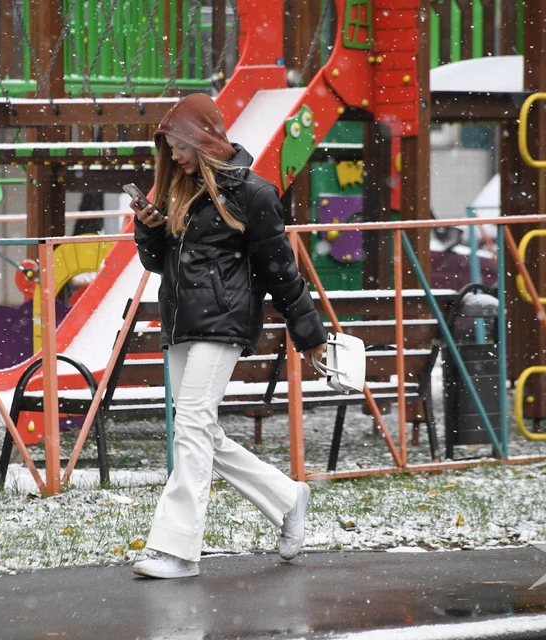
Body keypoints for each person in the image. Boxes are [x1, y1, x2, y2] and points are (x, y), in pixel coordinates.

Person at [130, 93, 327, 579]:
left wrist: (308, 331)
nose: (173, 155)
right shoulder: (176, 189)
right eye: (169, 146)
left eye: (180, 145)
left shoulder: (253, 194)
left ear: (204, 140)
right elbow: (157, 262)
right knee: (200, 432)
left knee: (193, 426)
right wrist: (149, 229)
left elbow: (281, 270)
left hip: (224, 322)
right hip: (181, 322)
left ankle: (177, 549)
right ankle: (288, 498)